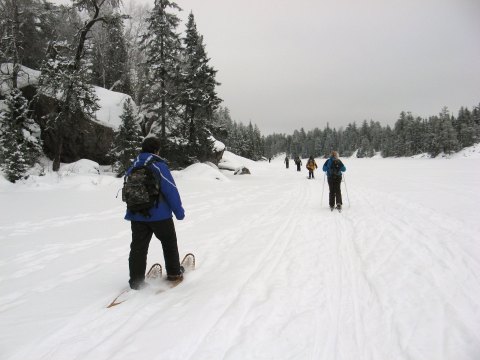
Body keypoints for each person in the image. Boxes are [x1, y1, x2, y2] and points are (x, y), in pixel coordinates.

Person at [124, 136, 185, 290]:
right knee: (169, 242)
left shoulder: (133, 166)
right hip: (160, 215)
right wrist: (179, 212)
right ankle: (174, 274)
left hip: (136, 214)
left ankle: (136, 281)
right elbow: (170, 189)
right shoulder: (158, 165)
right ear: (157, 150)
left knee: (138, 247)